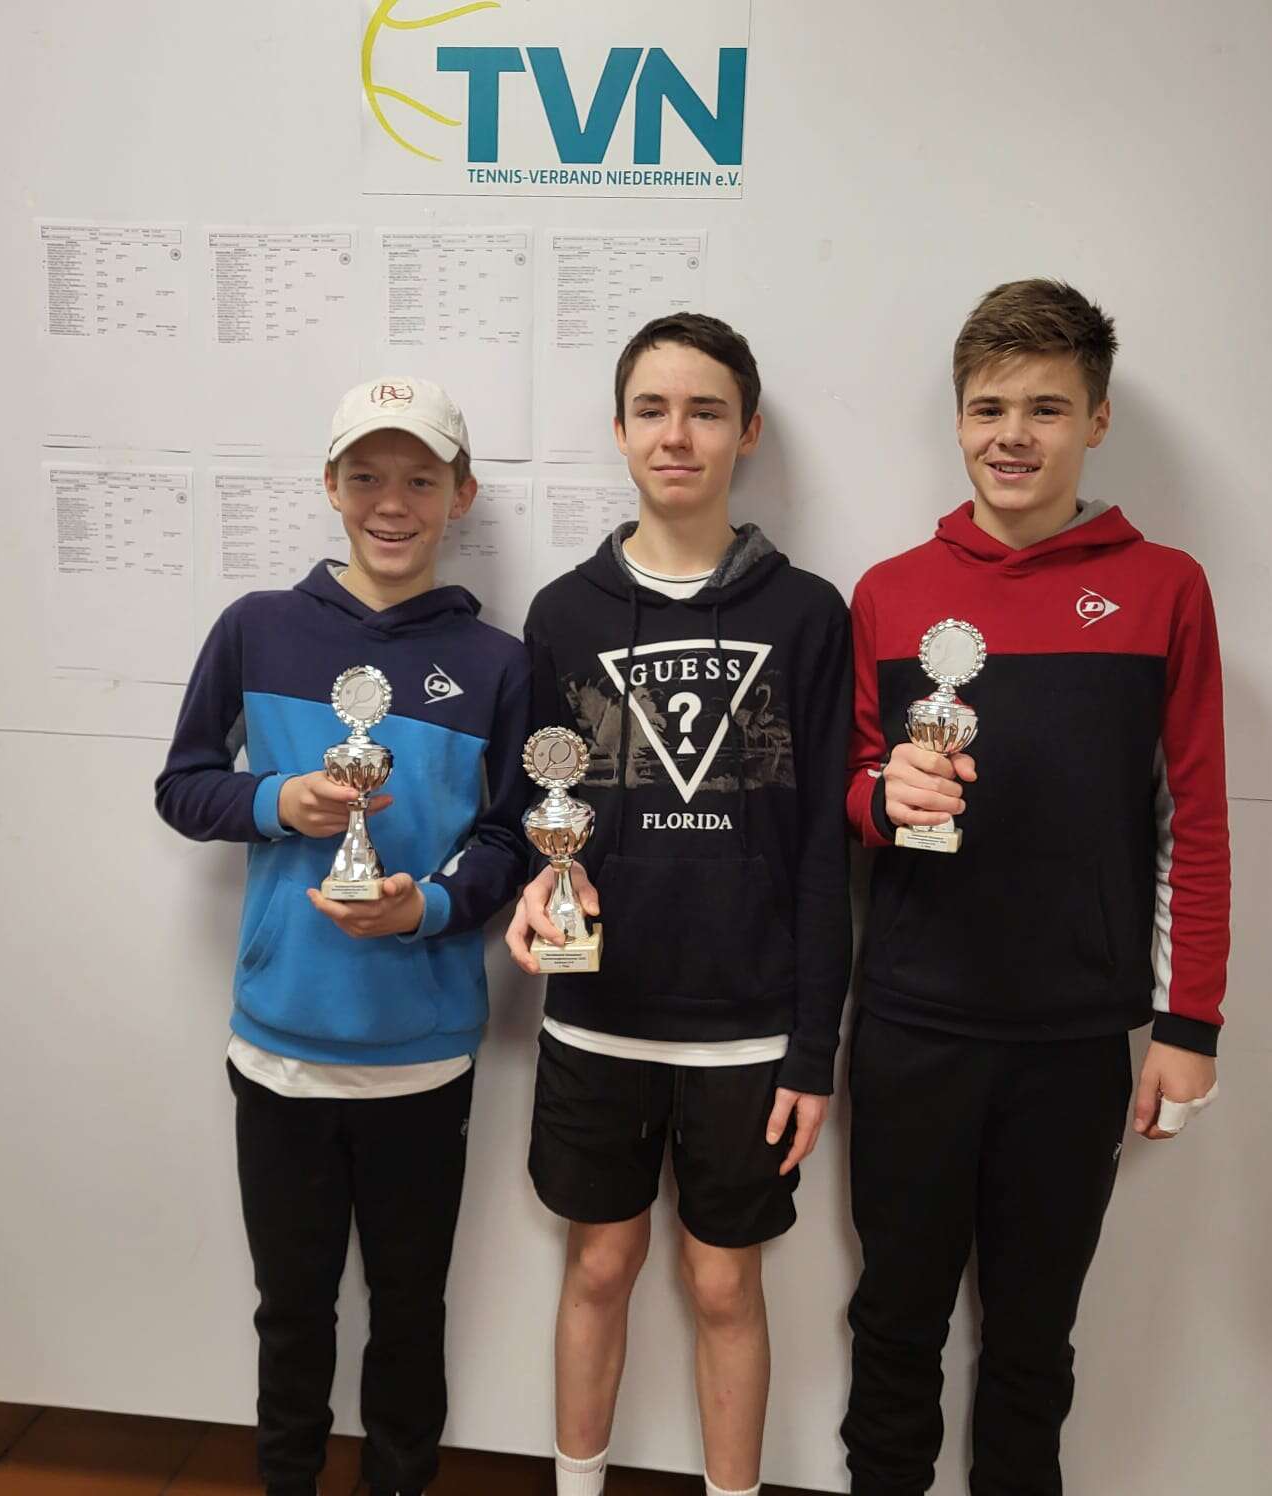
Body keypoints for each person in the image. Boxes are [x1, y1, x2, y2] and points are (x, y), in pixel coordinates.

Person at [842, 279, 1229, 1495]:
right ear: (957, 419)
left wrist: (1188, 1022)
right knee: (893, 1320)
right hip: (910, 1023)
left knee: (1030, 1341)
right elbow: (850, 785)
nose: (1012, 435)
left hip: (1072, 1036)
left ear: (1095, 419)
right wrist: (882, 797)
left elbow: (1193, 817)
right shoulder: (888, 590)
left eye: (1045, 408)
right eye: (988, 407)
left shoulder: (1163, 588)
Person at [156, 376, 531, 1496]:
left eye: (419, 478)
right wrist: (278, 800)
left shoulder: (498, 662)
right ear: (330, 485)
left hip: (422, 1053)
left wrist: (431, 906)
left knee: (411, 1311)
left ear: (461, 495)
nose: (391, 501)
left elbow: (515, 836)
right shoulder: (256, 628)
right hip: (279, 1047)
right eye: (366, 475)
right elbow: (183, 784)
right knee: (292, 1309)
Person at [507, 313, 853, 1496]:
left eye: (705, 411)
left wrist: (811, 1044)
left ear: (745, 433)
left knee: (721, 1282)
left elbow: (822, 847)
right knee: (598, 1266)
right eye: (651, 410)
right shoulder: (562, 613)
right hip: (596, 1015)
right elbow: (535, 811)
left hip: (746, 1028)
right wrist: (534, 884)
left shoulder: (806, 614)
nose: (676, 434)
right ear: (617, 430)